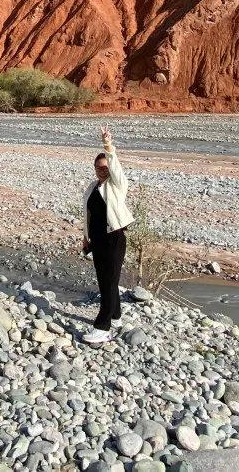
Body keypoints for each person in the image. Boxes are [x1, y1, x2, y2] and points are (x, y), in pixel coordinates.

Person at [80, 123, 134, 344]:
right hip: (97, 241)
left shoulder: (117, 185)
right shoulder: (92, 187)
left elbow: (116, 164)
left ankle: (102, 328)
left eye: (105, 168)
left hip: (114, 238)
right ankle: (117, 318)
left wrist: (108, 144)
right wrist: (85, 238)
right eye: (98, 167)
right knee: (105, 282)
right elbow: (88, 215)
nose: (102, 170)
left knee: (110, 283)